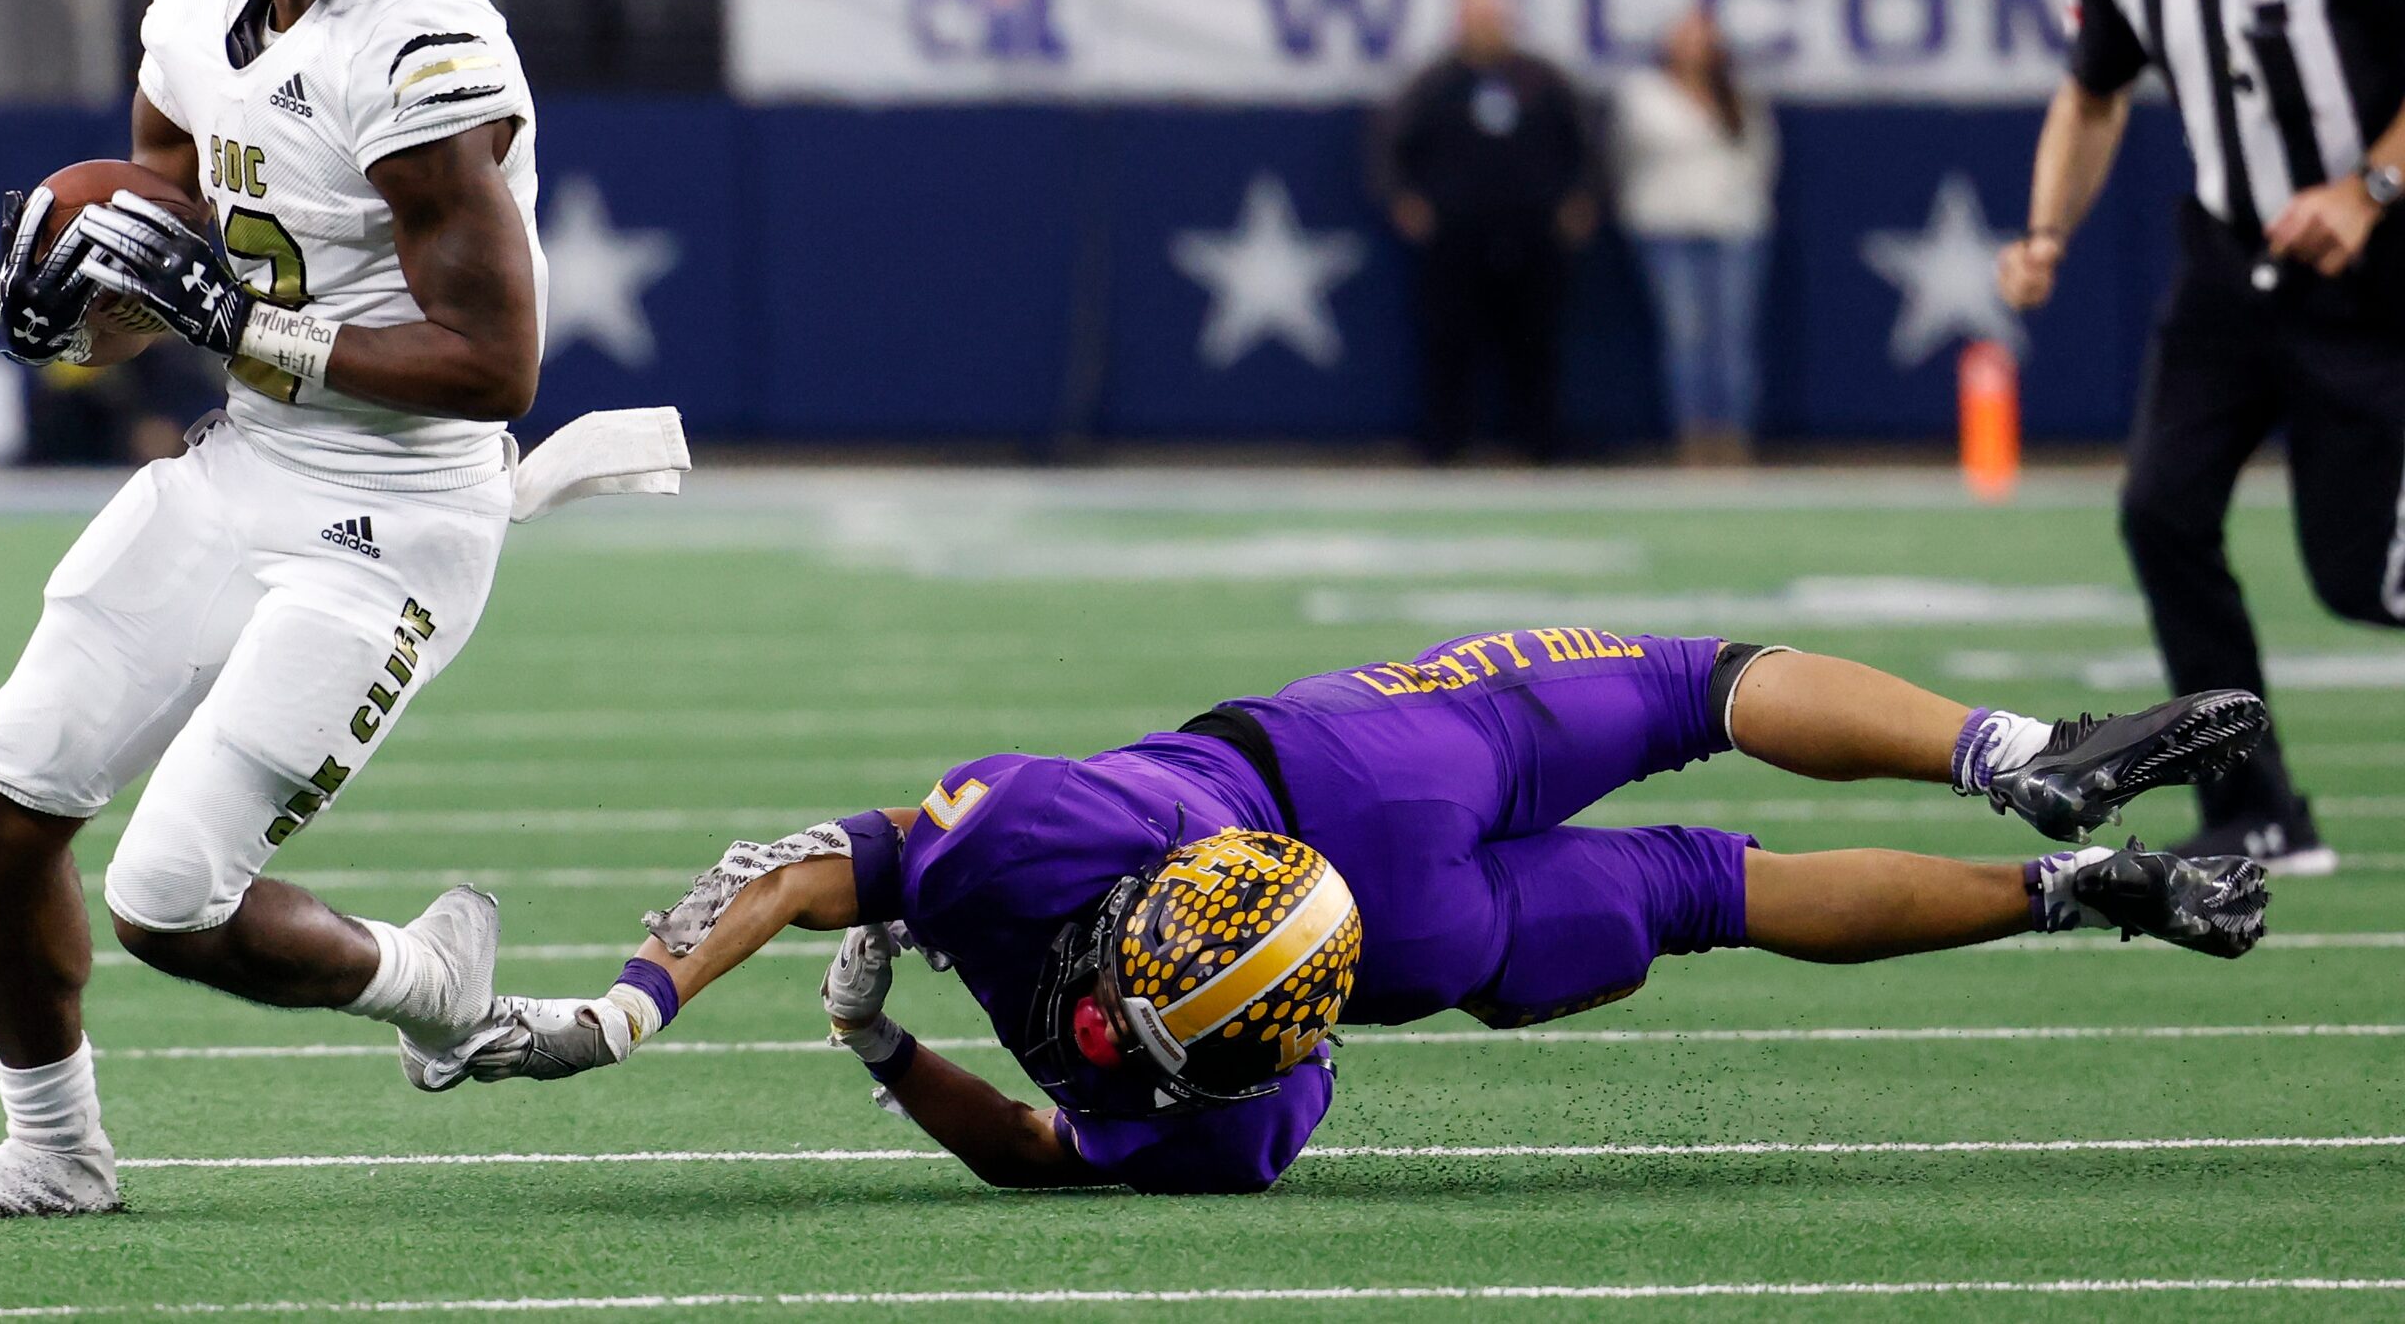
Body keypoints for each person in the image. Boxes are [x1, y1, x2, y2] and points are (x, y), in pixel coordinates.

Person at [425, 633, 2267, 1195]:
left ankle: (2070, 890)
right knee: (1708, 681)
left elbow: (1030, 1152)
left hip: (1413, 958)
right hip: (1355, 775)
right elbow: (782, 863)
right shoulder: (1039, 827)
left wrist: (879, 1038)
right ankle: (2015, 761)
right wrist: (626, 1004)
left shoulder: (1224, 1119)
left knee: (1727, 894)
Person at [0, 0, 544, 1222]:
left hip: (396, 515)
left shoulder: (425, 49)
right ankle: (55, 1152)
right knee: (10, 808)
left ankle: (428, 980)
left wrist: (253, 335)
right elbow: (163, 223)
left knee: (166, 903)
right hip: (245, 461)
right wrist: (85, 318)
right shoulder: (197, 3)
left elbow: (494, 364)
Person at [1998, 0, 2405, 874]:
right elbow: (2091, 96)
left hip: (2372, 278)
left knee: (2355, 576)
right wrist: (2044, 234)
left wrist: (2367, 188)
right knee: (2158, 512)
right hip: (2228, 270)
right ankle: (2253, 807)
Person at [1373, 0, 1598, 461]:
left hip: (1532, 230)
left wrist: (1582, 196)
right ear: (1461, 23)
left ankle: (1539, 440)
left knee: (1535, 340)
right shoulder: (1434, 83)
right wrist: (1402, 197)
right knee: (1450, 338)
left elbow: (1582, 142)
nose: (1486, 27)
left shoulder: (1541, 80)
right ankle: (1447, 439)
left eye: (1493, 17)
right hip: (1456, 232)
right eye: (1476, 18)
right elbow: (1390, 145)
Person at [1612, 6, 1780, 463]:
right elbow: (1654, 144)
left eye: (1701, 36)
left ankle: (1734, 438)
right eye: (1683, 36)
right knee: (1685, 336)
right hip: (1666, 228)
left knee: (1732, 338)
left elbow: (1761, 158)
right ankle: (1693, 437)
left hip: (1735, 228)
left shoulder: (1740, 94)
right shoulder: (1645, 93)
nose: (1693, 47)